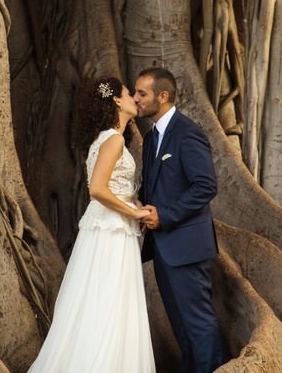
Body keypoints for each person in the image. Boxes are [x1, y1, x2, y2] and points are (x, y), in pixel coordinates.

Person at [28, 76, 156, 373]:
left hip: (107, 227)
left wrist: (134, 203)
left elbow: (113, 186)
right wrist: (134, 213)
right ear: (115, 101)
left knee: (102, 301)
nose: (134, 100)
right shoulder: (112, 139)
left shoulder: (106, 138)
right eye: (128, 95)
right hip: (111, 230)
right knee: (110, 302)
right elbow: (97, 189)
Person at [134, 67, 225, 373]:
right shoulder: (150, 138)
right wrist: (135, 205)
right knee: (180, 325)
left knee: (198, 322)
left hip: (186, 246)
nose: (136, 99)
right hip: (161, 248)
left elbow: (206, 185)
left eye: (141, 93)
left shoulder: (188, 133)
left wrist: (166, 215)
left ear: (163, 96)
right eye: (134, 92)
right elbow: (153, 186)